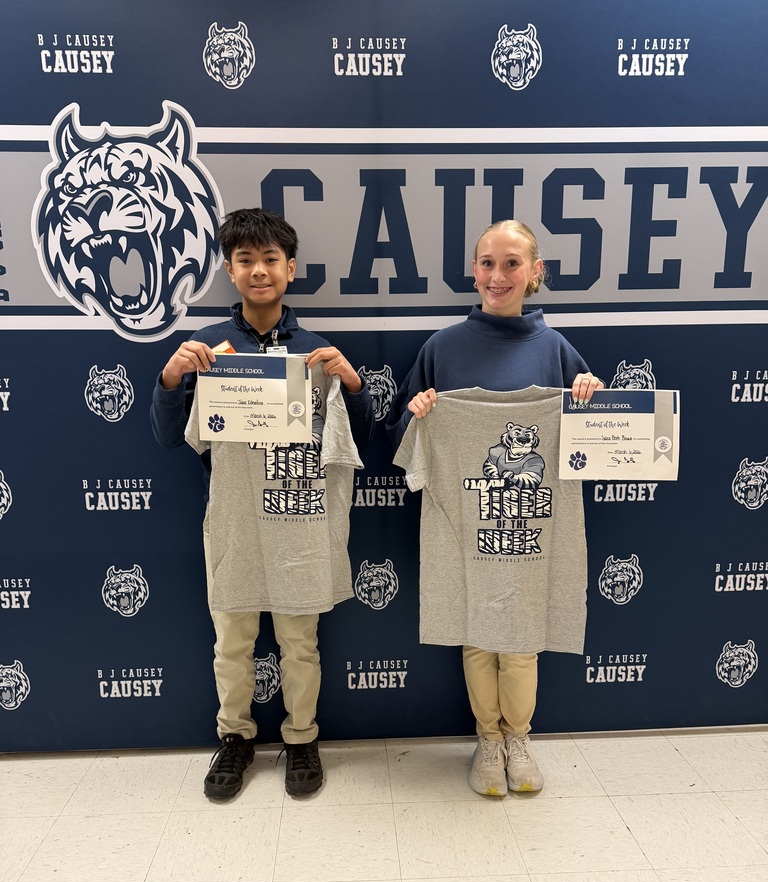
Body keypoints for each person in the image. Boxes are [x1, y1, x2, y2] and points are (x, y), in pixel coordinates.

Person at [151, 208, 374, 799]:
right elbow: (171, 435)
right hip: (235, 518)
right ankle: (236, 737)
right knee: (233, 640)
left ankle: (302, 737)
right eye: (245, 260)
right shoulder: (206, 348)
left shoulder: (317, 350)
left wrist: (351, 384)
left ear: (290, 268)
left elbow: (363, 440)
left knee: (301, 641)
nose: (258, 271)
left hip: (300, 518)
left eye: (269, 259)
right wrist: (172, 379)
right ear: (229, 269)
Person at [385, 219, 603, 797]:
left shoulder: (555, 347)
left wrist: (591, 400)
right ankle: (487, 739)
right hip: (468, 522)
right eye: (487, 262)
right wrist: (420, 410)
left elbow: (595, 439)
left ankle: (519, 737)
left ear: (535, 273)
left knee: (522, 637)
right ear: (473, 270)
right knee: (477, 634)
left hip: (531, 523)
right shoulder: (442, 346)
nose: (498, 275)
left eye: (512, 263)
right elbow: (402, 441)